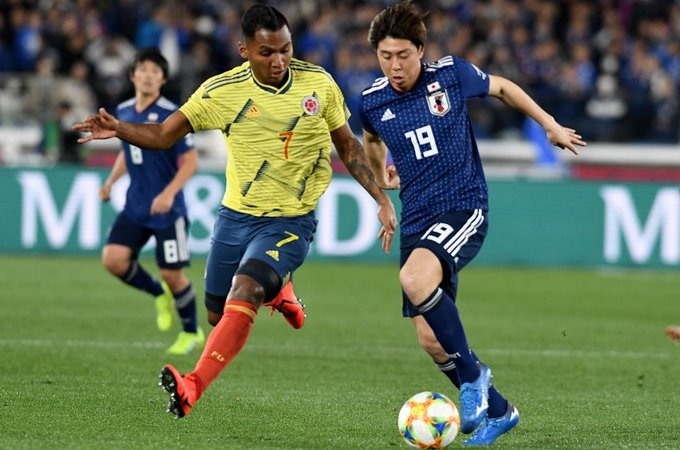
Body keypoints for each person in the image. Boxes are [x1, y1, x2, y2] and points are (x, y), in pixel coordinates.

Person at [74, 4, 397, 419]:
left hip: (290, 220)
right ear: (244, 50)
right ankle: (279, 291)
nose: (279, 61)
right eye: (267, 52)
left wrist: (381, 198)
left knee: (245, 291)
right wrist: (119, 128)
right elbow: (163, 135)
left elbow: (348, 145)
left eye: (285, 49)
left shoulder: (319, 83)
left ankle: (192, 385)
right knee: (217, 314)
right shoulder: (221, 92)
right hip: (236, 216)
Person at [359, 2, 586, 446]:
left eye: (403, 55)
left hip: (463, 206)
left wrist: (549, 124)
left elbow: (503, 88)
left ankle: (474, 375)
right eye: (385, 56)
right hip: (417, 217)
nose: (394, 65)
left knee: (414, 278)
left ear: (420, 50)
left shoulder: (450, 75)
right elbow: (369, 139)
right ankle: (500, 411)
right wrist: (382, 182)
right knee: (429, 338)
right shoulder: (371, 100)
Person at [98, 48, 204, 355]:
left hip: (168, 210)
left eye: (155, 71)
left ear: (163, 79)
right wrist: (111, 181)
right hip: (136, 204)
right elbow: (127, 151)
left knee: (173, 274)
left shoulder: (174, 115)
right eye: (142, 69)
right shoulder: (124, 111)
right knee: (113, 260)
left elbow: (191, 162)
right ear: (133, 75)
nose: (148, 75)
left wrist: (169, 193)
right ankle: (158, 293)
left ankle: (191, 332)